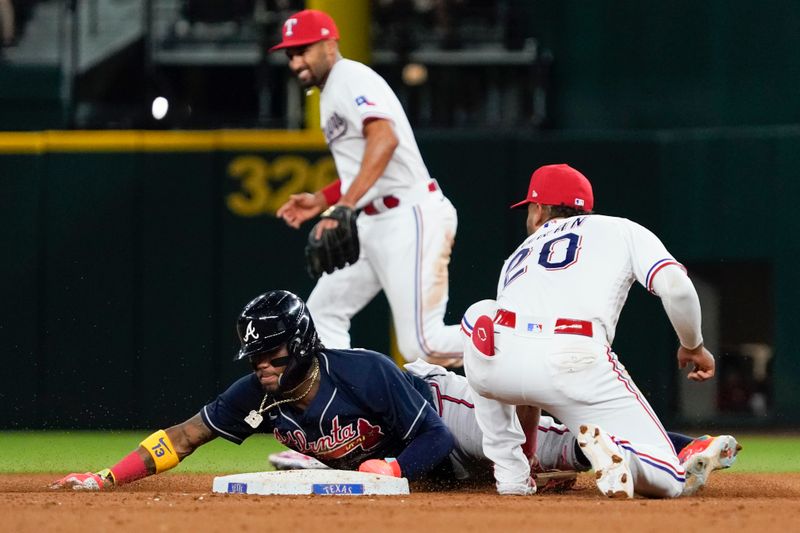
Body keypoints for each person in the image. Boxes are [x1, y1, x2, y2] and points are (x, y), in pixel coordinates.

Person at [51, 290, 738, 494]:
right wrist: (111, 475)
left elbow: (432, 438)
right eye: (255, 358)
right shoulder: (254, 396)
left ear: (300, 347)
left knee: (560, 447)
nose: (260, 367)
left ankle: (684, 448)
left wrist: (393, 470)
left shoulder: (363, 369)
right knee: (514, 475)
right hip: (430, 468)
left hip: (445, 409)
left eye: (270, 354)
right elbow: (184, 435)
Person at [461, 163, 731, 498]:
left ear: (540, 208)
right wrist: (693, 345)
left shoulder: (519, 256)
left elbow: (526, 395)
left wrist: (528, 454)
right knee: (671, 476)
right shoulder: (621, 229)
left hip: (497, 367)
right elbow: (676, 288)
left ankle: (511, 474)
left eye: (529, 208)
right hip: (573, 359)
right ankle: (625, 461)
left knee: (481, 318)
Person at [271, 9, 463, 367]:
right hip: (375, 220)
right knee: (320, 317)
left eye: (304, 49)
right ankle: (350, 407)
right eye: (290, 53)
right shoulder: (330, 91)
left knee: (424, 345)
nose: (296, 60)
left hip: (410, 213)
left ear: (330, 44)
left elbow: (384, 139)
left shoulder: (351, 77)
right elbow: (365, 164)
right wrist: (322, 199)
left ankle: (515, 340)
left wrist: (343, 206)